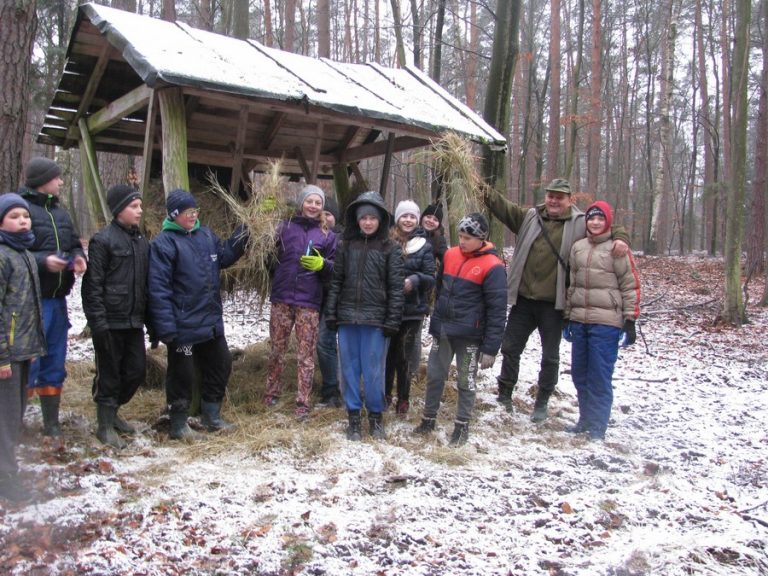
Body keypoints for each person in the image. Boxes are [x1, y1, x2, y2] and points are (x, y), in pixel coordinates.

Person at [485, 178, 629, 422]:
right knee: (510, 349)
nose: (553, 200)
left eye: (559, 197)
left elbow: (605, 226)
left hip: (554, 304)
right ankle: (505, 395)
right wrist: (482, 188)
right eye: (550, 195)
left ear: (569, 200)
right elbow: (502, 207)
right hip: (523, 300)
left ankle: (541, 402)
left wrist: (622, 237)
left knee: (550, 357)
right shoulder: (529, 217)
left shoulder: (580, 221)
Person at [148, 189, 247, 441]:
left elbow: (223, 257)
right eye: (187, 213)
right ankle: (178, 424)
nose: (193, 216)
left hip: (210, 323)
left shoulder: (205, 235)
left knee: (221, 364)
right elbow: (158, 288)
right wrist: (166, 328)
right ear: (174, 215)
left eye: (195, 211)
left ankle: (211, 416)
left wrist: (244, 231)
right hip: (184, 329)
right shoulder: (164, 243)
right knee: (183, 373)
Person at [413, 212, 507, 445]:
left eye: (467, 238)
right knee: (435, 375)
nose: (462, 241)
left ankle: (462, 425)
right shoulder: (451, 255)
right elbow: (439, 288)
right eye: (461, 236)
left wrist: (491, 348)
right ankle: (428, 419)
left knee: (466, 380)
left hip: (470, 336)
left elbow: (497, 310)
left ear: (481, 238)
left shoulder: (493, 266)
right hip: (443, 330)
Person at [323, 191, 404, 441]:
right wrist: (332, 313)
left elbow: (396, 289)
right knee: (348, 370)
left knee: (373, 372)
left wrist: (392, 320)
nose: (367, 222)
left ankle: (376, 418)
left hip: (375, 321)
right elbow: (336, 281)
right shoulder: (346, 246)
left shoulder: (390, 249)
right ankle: (354, 419)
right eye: (363, 218)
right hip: (347, 318)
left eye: (372, 218)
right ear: (356, 221)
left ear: (381, 220)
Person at [19, 157, 87, 438]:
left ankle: (51, 423)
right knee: (28, 362)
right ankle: (14, 422)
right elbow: (13, 252)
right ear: (42, 181)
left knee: (55, 360)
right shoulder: (21, 211)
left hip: (58, 300)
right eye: (57, 178)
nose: (61, 182)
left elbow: (72, 243)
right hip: (31, 302)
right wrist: (43, 262)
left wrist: (79, 258)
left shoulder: (61, 213)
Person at [563, 201, 640, 441]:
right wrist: (567, 315)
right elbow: (571, 284)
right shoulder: (578, 248)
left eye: (600, 219)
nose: (595, 223)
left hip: (606, 322)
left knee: (599, 374)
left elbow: (630, 285)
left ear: (607, 221)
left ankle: (598, 426)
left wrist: (630, 319)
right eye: (591, 218)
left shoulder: (617, 249)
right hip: (579, 320)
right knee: (579, 373)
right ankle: (585, 419)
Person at [81, 185, 149, 449]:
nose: (139, 211)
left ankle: (114, 410)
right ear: (119, 209)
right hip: (110, 321)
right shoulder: (103, 240)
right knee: (109, 374)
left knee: (135, 372)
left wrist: (151, 322)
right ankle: (105, 425)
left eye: (140, 206)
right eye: (134, 206)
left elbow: (146, 285)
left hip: (134, 321)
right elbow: (92, 285)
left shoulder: (142, 242)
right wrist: (97, 322)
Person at [265, 185, 337, 419]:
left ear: (322, 207)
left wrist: (323, 265)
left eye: (318, 202)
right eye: (310, 201)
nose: (313, 206)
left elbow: (336, 270)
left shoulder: (328, 235)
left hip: (309, 302)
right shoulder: (283, 227)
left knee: (305, 355)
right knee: (277, 349)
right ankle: (271, 392)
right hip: (282, 298)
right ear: (301, 202)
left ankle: (303, 401)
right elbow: (267, 256)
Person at [0, 194, 46, 502]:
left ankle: (9, 470)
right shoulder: (3, 256)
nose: (23, 221)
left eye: (25, 216)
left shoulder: (25, 253)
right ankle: (6, 478)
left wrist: (31, 346)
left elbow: (28, 306)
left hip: (22, 350)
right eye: (15, 216)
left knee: (16, 413)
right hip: (6, 355)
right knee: (6, 415)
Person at [385, 200, 435, 414]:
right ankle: (384, 394)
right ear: (397, 218)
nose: (408, 220)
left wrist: (414, 280)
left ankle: (403, 398)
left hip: (412, 310)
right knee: (387, 355)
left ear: (417, 220)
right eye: (404, 216)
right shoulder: (387, 242)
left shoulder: (424, 246)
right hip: (387, 308)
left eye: (412, 217)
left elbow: (431, 278)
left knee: (404, 357)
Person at [316, 196, 343, 407]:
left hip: (342, 300)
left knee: (335, 344)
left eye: (329, 214)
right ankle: (330, 389)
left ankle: (341, 389)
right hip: (320, 298)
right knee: (324, 343)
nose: (325, 217)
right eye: (321, 213)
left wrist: (324, 264)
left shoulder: (342, 239)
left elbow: (340, 271)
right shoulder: (315, 236)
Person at [420, 202, 448, 270]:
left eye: (435, 220)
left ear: (439, 224)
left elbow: (447, 260)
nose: (431, 221)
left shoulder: (439, 240)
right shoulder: (412, 231)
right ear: (422, 217)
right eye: (428, 217)